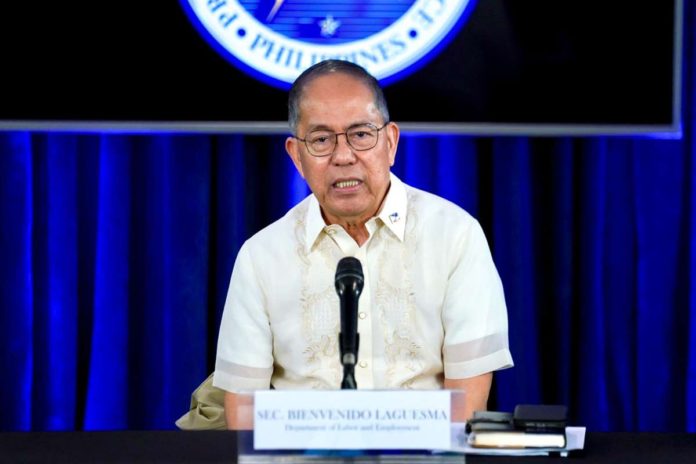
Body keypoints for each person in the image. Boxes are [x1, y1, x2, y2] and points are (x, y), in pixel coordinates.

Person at [211, 59, 513, 429]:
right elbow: (244, 418)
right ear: (296, 156)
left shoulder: (455, 236)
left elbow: (466, 407)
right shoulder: (261, 257)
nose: (343, 156)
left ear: (390, 142)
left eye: (361, 134)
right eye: (321, 140)